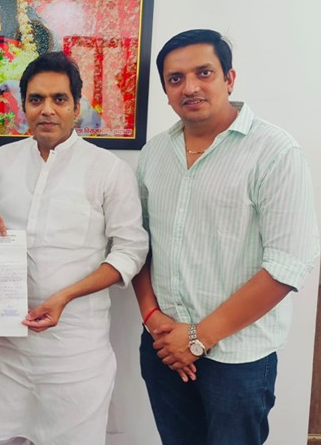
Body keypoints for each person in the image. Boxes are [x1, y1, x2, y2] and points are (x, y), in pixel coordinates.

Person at [133, 29, 320, 445]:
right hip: (163, 346)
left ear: (229, 78)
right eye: (175, 78)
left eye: (204, 73)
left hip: (238, 359)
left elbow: (287, 264)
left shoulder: (275, 152)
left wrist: (197, 338)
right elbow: (138, 244)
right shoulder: (154, 154)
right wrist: (152, 318)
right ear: (165, 91)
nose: (190, 87)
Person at [0, 51, 149, 445]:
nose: (47, 109)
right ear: (23, 106)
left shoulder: (108, 170)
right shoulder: (1, 161)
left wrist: (65, 296)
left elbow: (130, 251)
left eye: (59, 99)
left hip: (75, 354)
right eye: (36, 99)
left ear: (76, 107)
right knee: (1, 438)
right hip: (4, 351)